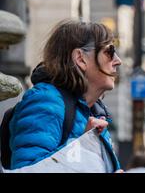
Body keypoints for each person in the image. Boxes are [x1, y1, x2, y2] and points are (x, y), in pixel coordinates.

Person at [8, 20, 122, 171]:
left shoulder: (95, 113)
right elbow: (30, 169)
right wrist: (83, 142)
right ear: (80, 58)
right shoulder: (44, 100)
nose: (118, 61)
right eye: (110, 51)